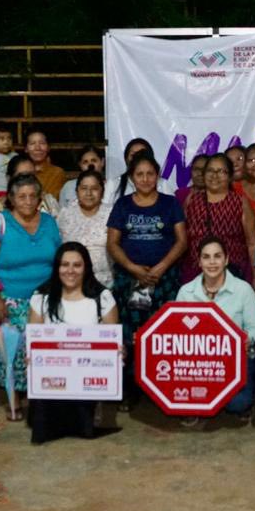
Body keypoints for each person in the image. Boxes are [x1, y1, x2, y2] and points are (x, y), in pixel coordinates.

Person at [0, 173, 63, 421]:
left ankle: (39, 399)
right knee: (11, 353)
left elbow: (58, 259)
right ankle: (14, 400)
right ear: (12, 199)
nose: (27, 201)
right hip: (10, 300)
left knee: (42, 353)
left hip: (45, 302)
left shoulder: (49, 222)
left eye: (32, 196)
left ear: (40, 199)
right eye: (21, 196)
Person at [107, 151, 188, 408]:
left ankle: (160, 386)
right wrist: (133, 269)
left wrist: (161, 267)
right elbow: (112, 243)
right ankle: (130, 387)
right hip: (130, 280)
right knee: (130, 334)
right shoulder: (122, 206)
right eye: (139, 174)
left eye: (150, 174)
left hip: (164, 278)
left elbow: (182, 240)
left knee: (161, 333)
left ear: (157, 176)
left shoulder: (170, 203)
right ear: (132, 177)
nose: (145, 179)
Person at [26, 242, 120, 443]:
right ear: (57, 267)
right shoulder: (41, 297)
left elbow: (112, 343)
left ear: (86, 267)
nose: (70, 271)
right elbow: (33, 341)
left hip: (88, 377)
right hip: (51, 378)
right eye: (64, 264)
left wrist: (119, 352)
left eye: (77, 265)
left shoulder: (102, 298)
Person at [175, 236, 255, 425]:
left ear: (226, 259)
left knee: (237, 404)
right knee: (185, 398)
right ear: (199, 261)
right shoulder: (185, 292)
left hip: (236, 358)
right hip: (197, 362)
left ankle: (241, 400)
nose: (212, 262)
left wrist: (247, 339)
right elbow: (177, 332)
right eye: (206, 257)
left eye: (217, 256)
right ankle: (197, 403)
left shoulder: (243, 290)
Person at [182, 153, 255, 292]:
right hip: (195, 274)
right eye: (210, 170)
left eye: (221, 171)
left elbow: (253, 243)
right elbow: (182, 239)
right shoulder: (191, 201)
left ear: (230, 177)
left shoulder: (239, 202)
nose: (214, 175)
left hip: (232, 274)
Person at [57, 169, 113, 288]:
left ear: (102, 192)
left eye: (94, 188)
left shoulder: (112, 214)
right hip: (72, 281)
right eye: (84, 188)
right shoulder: (65, 214)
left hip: (106, 283)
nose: (89, 193)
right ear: (76, 191)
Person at [111, 137, 176, 201]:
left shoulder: (163, 184)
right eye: (133, 155)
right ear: (126, 158)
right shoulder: (113, 184)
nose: (137, 158)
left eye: (142, 154)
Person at [22, 129, 66, 199]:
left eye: (42, 143)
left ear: (48, 147)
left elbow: (52, 202)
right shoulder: (21, 171)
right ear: (26, 149)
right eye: (32, 144)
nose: (37, 148)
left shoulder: (57, 173)